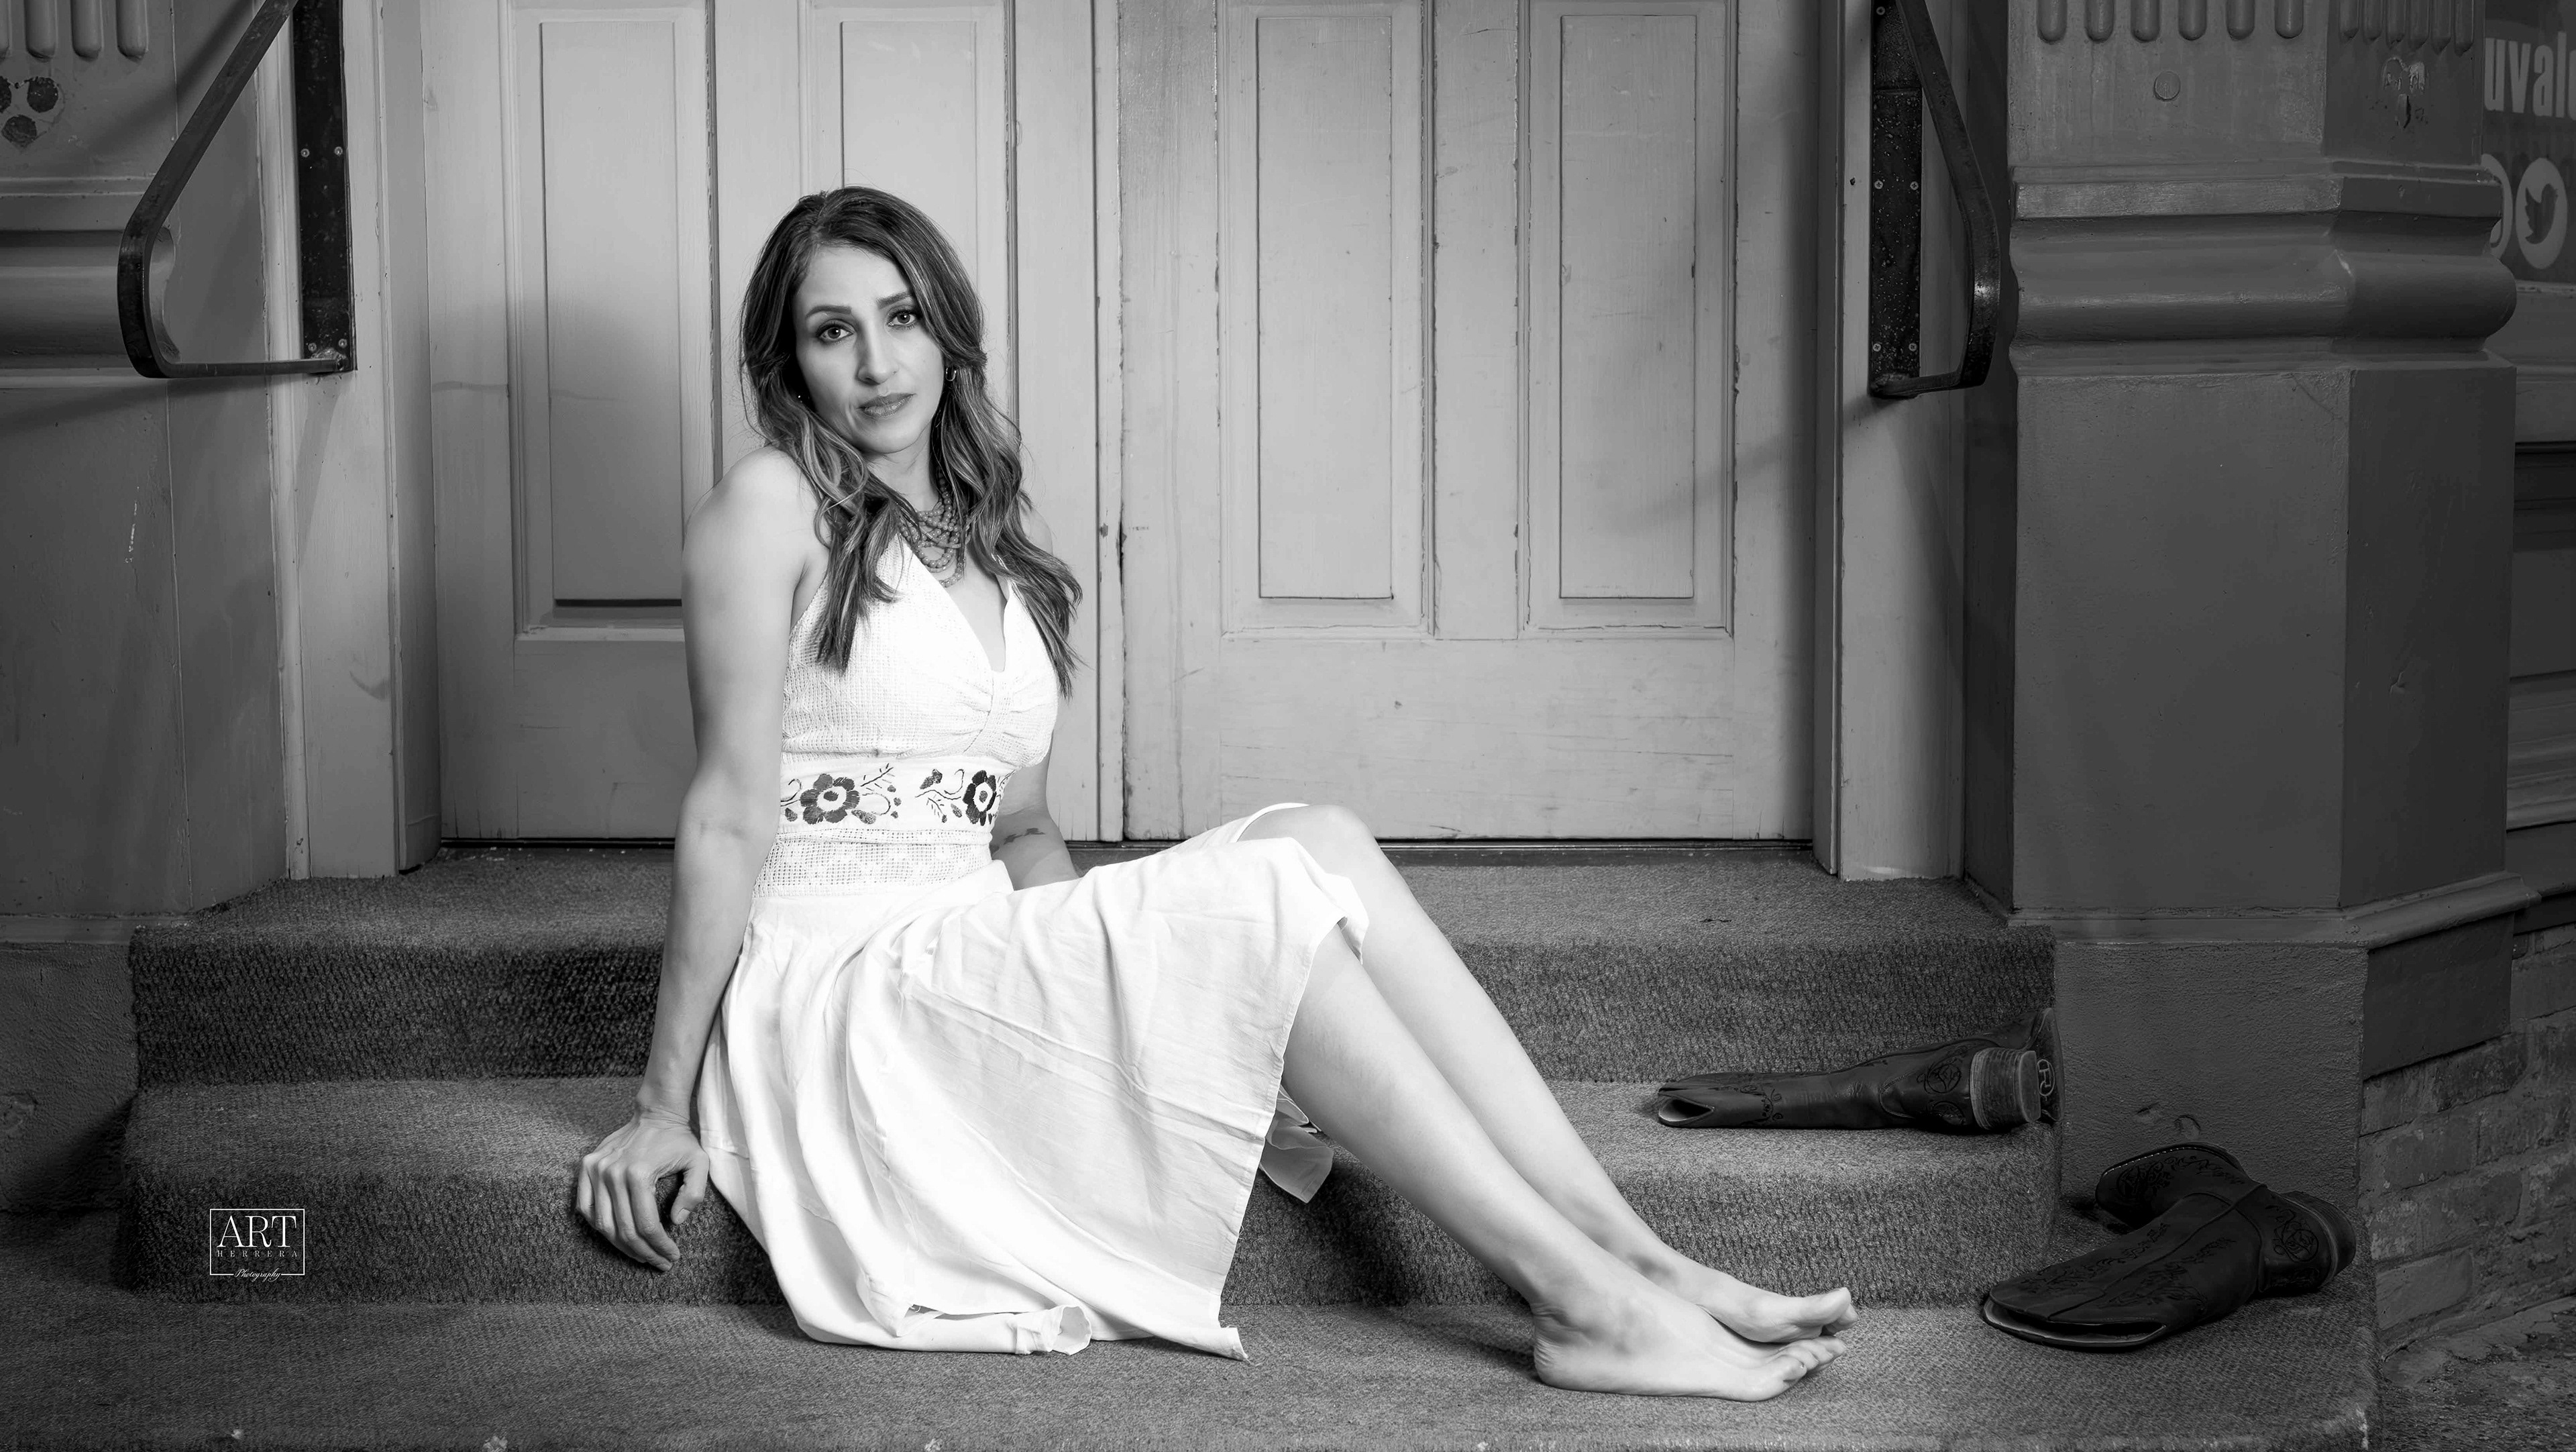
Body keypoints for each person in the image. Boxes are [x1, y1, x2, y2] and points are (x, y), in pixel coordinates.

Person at [574, 186, 1855, 1400]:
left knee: (1321, 842)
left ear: (947, 329)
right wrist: (659, 1106)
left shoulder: (989, 539)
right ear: (789, 360)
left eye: (902, 317)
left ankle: (1636, 1256)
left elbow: (1019, 826)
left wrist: (1106, 974)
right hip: (845, 978)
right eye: (833, 331)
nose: (876, 363)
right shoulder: (770, 506)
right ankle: (1580, 1306)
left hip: (966, 939)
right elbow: (729, 814)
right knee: (1254, 908)